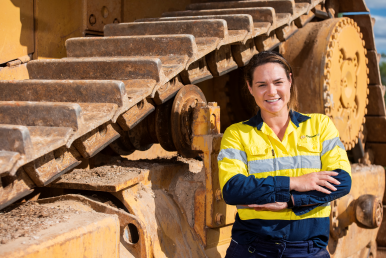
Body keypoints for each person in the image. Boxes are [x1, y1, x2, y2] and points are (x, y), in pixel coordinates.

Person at [218, 51, 352, 258]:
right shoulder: (237, 134)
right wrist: (293, 182)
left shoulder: (320, 125)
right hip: (252, 249)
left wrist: (290, 201)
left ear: (290, 81)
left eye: (278, 82)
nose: (271, 92)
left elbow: (341, 181)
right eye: (261, 85)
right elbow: (233, 189)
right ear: (250, 88)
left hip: (308, 250)